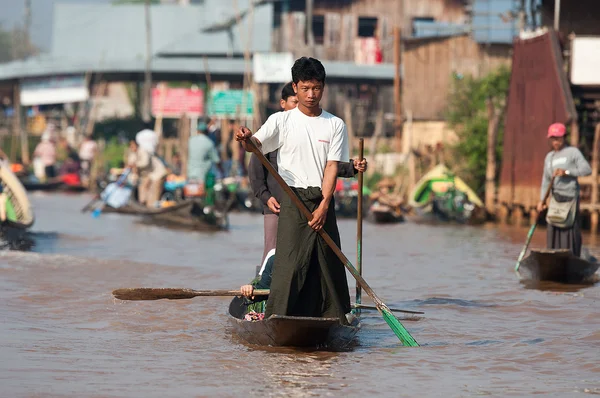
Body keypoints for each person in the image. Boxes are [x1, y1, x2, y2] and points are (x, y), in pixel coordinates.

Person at [236, 57, 352, 324]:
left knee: (326, 263)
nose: (311, 95)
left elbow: (332, 167)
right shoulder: (281, 120)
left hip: (322, 199)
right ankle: (280, 317)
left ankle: (331, 318)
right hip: (293, 199)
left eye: (316, 88)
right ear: (295, 87)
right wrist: (245, 138)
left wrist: (324, 206)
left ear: (323, 88)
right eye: (305, 88)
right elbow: (255, 145)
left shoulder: (335, 124)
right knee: (289, 263)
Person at [248, 82, 367, 263]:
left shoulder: (321, 127)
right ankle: (265, 286)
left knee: (309, 256)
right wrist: (266, 197)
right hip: (277, 205)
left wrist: (352, 167)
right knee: (273, 253)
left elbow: (323, 165)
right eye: (294, 102)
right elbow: (255, 170)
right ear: (283, 104)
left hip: (307, 204)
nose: (299, 107)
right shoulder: (275, 128)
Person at [537, 122, 591, 257]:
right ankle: (553, 257)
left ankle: (572, 258)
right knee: (553, 226)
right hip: (556, 199)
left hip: (570, 198)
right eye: (553, 138)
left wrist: (566, 172)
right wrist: (541, 200)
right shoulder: (549, 157)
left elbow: (586, 170)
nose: (556, 141)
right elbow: (546, 180)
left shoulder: (573, 152)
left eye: (558, 138)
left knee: (570, 231)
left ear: (564, 138)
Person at [133, 142, 168, 207]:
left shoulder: (143, 151)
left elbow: (145, 163)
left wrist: (135, 165)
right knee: (144, 191)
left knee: (153, 197)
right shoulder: (136, 154)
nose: (131, 148)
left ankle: (152, 209)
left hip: (158, 174)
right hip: (151, 176)